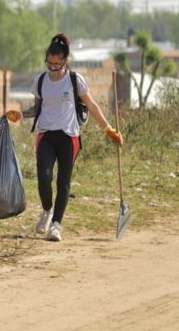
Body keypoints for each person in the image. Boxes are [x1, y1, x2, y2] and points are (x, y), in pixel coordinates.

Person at [30, 33, 124, 242]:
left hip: (68, 137)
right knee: (44, 177)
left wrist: (108, 130)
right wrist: (19, 114)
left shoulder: (74, 80)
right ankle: (46, 210)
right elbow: (36, 108)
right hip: (45, 135)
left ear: (65, 61)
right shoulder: (41, 81)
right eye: (49, 63)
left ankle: (56, 225)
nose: (52, 67)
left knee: (64, 182)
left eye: (57, 64)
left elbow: (92, 105)